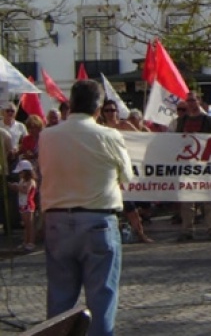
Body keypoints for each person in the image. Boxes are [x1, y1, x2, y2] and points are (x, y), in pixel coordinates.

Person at [40, 80, 133, 336]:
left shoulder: (47, 136)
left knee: (59, 298)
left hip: (57, 220)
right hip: (97, 220)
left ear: (70, 104)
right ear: (98, 108)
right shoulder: (110, 136)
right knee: (101, 297)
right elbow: (127, 177)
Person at [99, 100, 152, 243]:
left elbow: (141, 139)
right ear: (103, 113)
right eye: (107, 110)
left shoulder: (124, 125)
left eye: (113, 110)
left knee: (131, 206)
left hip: (127, 168)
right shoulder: (101, 128)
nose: (110, 113)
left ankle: (141, 234)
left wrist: (146, 130)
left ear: (117, 111)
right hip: (108, 170)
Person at [176, 91, 211, 241]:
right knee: (187, 199)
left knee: (208, 198)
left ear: (199, 101)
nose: (191, 104)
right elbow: (175, 141)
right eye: (188, 101)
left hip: (204, 164)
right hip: (187, 165)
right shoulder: (181, 121)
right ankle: (187, 230)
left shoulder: (208, 120)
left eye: (193, 100)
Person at [9, 159, 36, 252]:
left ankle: (31, 242)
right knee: (25, 225)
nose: (19, 174)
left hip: (28, 205)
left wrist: (17, 187)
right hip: (22, 204)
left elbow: (26, 191)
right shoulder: (22, 180)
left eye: (21, 172)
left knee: (29, 224)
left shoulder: (31, 181)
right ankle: (25, 241)